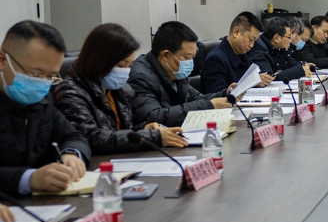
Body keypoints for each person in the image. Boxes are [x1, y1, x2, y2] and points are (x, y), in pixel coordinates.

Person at [54, 24, 187, 155]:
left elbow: (124, 130)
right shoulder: (70, 93)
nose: (126, 72)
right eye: (121, 65)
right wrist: (153, 137)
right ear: (99, 61)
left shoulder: (121, 90)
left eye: (130, 66)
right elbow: (92, 138)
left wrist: (145, 127)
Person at [0, 20, 90, 195]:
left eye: (51, 77)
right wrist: (28, 179)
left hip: (42, 202)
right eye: (36, 74)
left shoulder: (41, 100)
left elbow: (72, 135)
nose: (42, 83)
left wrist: (72, 154)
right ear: (2, 60)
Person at [130, 21, 233, 127]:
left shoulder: (176, 73)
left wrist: (225, 94)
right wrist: (209, 105)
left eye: (193, 57)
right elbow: (154, 117)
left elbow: (196, 98)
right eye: (187, 57)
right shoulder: (140, 78)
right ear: (165, 56)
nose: (190, 62)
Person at [201, 11, 274, 94]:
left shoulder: (242, 55)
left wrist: (255, 80)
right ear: (236, 32)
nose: (252, 45)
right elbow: (218, 95)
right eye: (251, 40)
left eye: (254, 41)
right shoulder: (215, 60)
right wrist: (251, 83)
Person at [248, 16, 312, 83]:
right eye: (289, 37)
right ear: (276, 38)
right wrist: (300, 71)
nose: (290, 41)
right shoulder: (258, 53)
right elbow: (269, 79)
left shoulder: (279, 50)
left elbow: (294, 64)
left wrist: (303, 68)